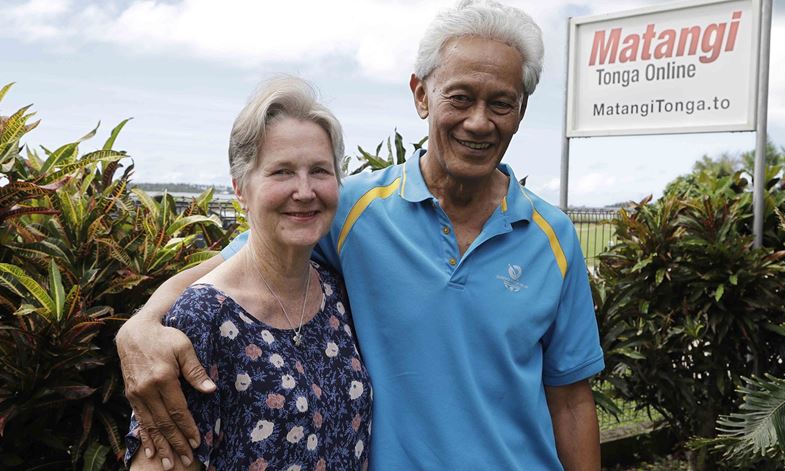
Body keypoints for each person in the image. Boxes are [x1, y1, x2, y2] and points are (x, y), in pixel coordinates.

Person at [116, 0, 604, 469]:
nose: (479, 121)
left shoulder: (553, 237)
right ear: (420, 94)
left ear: (521, 111)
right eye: (460, 97)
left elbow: (571, 401)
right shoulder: (349, 209)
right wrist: (143, 324)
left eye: (502, 103)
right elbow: (236, 271)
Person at [123, 77, 372, 470]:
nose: (304, 190)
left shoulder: (336, 292)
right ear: (240, 188)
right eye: (282, 172)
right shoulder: (203, 317)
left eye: (320, 171)